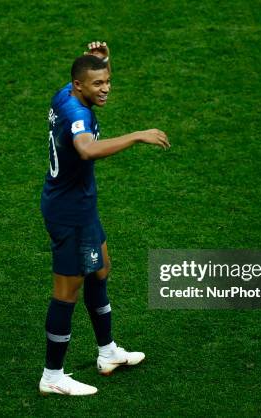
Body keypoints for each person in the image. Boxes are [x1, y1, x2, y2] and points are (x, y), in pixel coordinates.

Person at [39, 41, 170, 396]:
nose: (106, 88)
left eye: (108, 80)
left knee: (100, 270)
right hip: (69, 215)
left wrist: (99, 61)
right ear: (79, 86)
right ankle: (52, 376)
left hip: (80, 207)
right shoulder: (77, 115)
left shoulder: (64, 93)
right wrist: (136, 135)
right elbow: (86, 148)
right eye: (98, 83)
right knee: (66, 293)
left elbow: (84, 75)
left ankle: (108, 352)